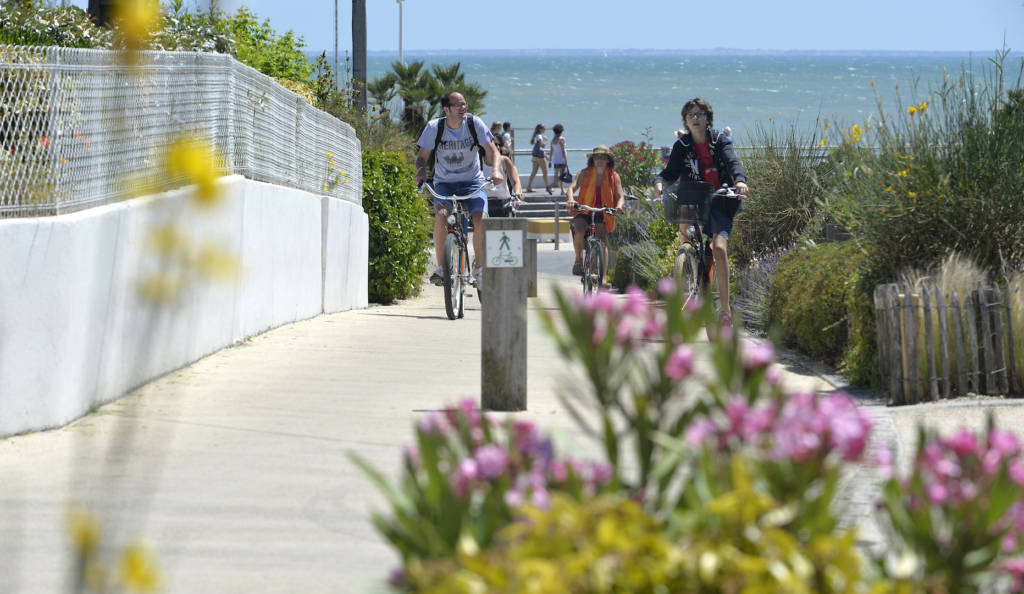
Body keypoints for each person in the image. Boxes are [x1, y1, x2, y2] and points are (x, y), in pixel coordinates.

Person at [652, 97, 749, 332]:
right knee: (687, 235)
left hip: (721, 199)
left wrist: (739, 181)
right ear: (685, 120)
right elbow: (669, 172)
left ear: (708, 118)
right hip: (695, 199)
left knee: (718, 248)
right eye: (691, 115)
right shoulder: (682, 146)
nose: (696, 118)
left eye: (700, 114)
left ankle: (725, 309)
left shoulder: (719, 141)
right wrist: (659, 183)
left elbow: (733, 163)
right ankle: (690, 262)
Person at [415, 91, 503, 289]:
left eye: (465, 104)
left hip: (472, 181)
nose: (463, 108)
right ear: (446, 109)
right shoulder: (434, 128)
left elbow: (493, 152)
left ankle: (479, 268)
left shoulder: (474, 124)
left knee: (480, 220)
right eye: (458, 105)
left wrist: (496, 170)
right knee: (441, 215)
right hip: (445, 183)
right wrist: (420, 174)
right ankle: (441, 269)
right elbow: (422, 158)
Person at [566, 145, 625, 280]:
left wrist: (619, 207)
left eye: (602, 158)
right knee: (579, 229)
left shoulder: (614, 176)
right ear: (592, 160)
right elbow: (572, 187)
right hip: (584, 208)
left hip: (603, 211)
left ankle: (602, 278)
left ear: (608, 160)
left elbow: (620, 196)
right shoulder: (584, 173)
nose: (599, 160)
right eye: (596, 157)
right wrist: (570, 200)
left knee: (602, 241)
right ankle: (578, 260)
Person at [483, 144, 523, 217]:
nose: (496, 146)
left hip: (504, 204)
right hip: (484, 204)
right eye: (492, 144)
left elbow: (516, 181)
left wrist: (517, 195)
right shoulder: (478, 162)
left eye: (497, 144)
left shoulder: (505, 161)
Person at [525, 123, 551, 194]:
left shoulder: (536, 136)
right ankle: (547, 187)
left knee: (534, 172)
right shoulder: (539, 136)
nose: (545, 129)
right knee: (545, 172)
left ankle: (528, 187)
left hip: (535, 156)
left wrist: (545, 155)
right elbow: (542, 145)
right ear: (540, 129)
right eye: (544, 128)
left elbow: (539, 147)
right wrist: (545, 140)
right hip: (540, 157)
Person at [549, 123, 568, 195]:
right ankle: (551, 186)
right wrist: (566, 160)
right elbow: (563, 150)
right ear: (561, 131)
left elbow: (551, 151)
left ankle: (562, 190)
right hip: (561, 160)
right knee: (562, 176)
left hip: (556, 160)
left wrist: (550, 161)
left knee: (560, 175)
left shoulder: (552, 140)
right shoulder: (562, 139)